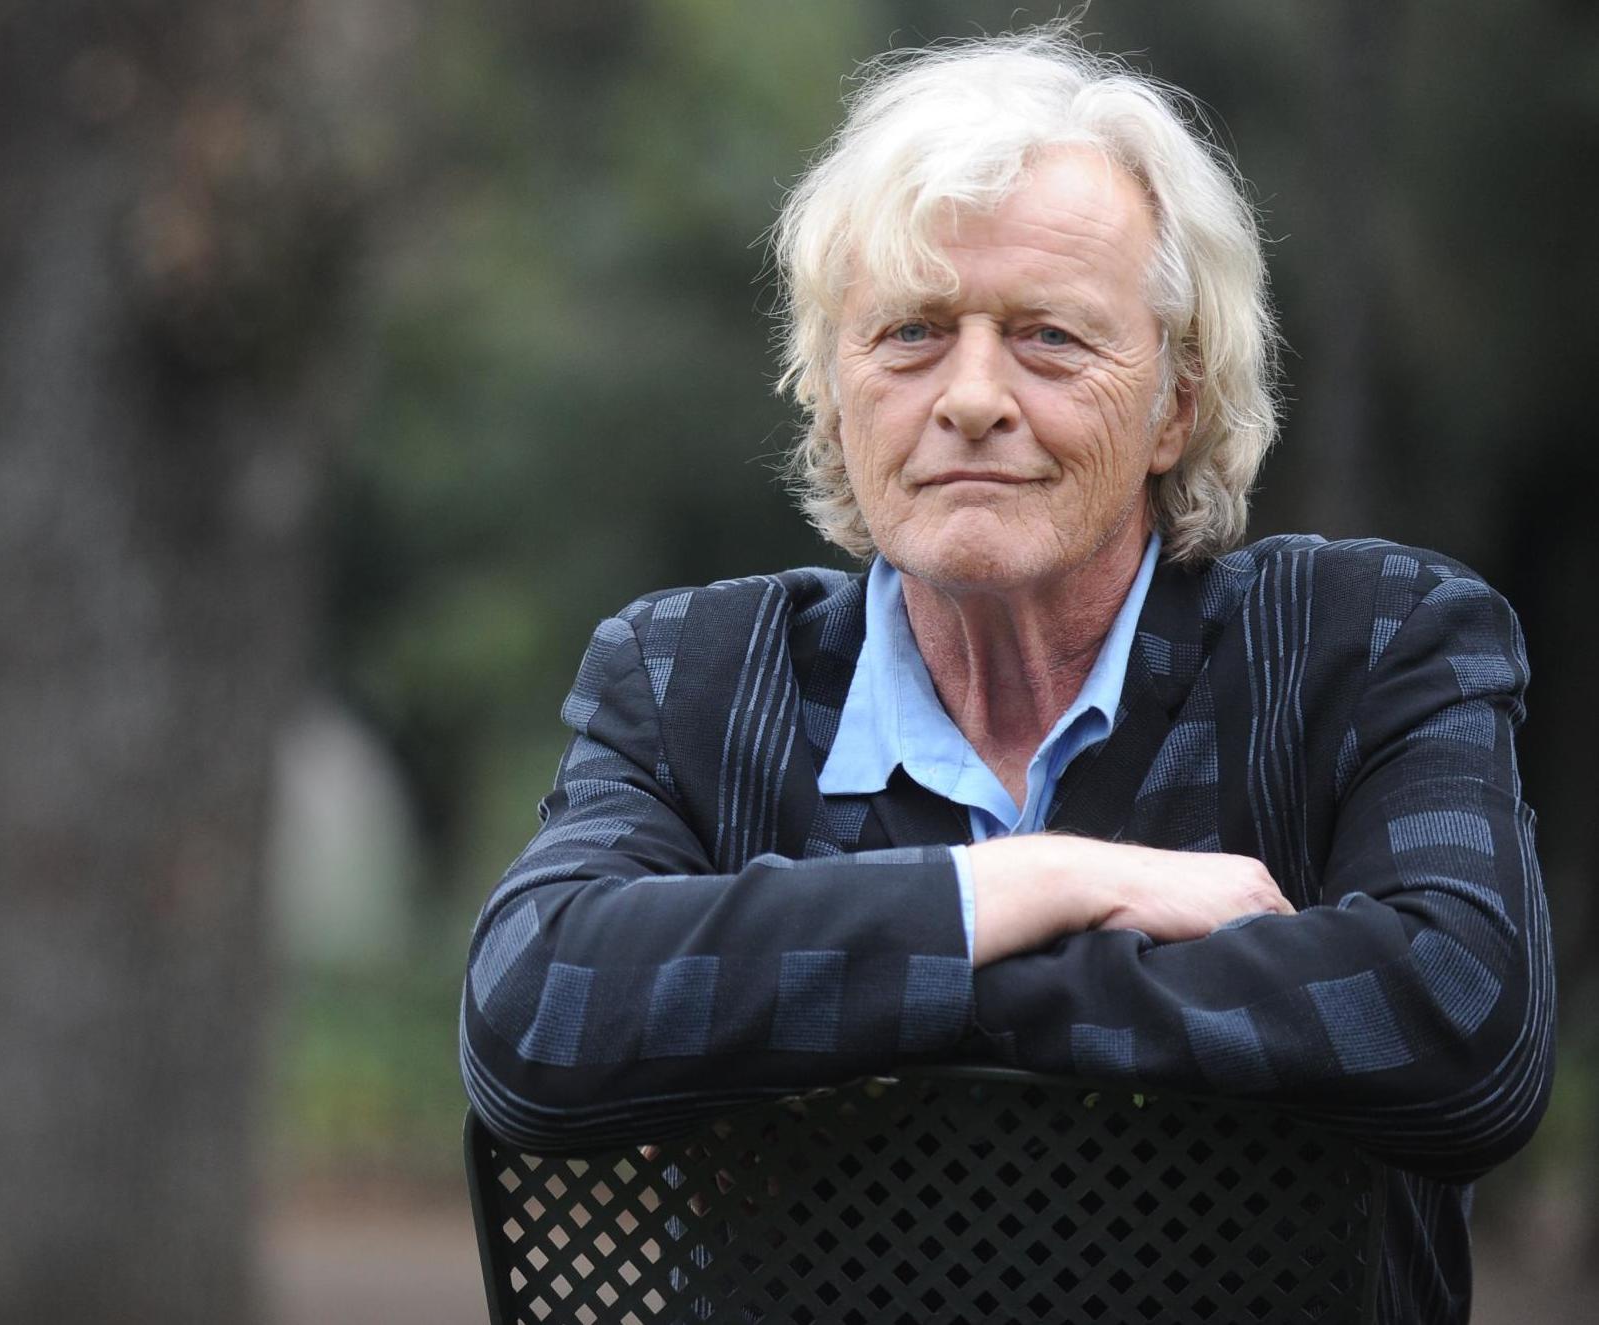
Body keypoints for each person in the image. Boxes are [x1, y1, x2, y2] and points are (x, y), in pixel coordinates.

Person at [459, 29, 1551, 1325]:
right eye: (912, 333)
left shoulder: (1370, 646)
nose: (972, 395)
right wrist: (1033, 883)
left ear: (1175, 404)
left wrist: (921, 976)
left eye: (1046, 337)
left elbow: (1461, 1026)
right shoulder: (691, 675)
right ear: (829, 390)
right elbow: (537, 1007)